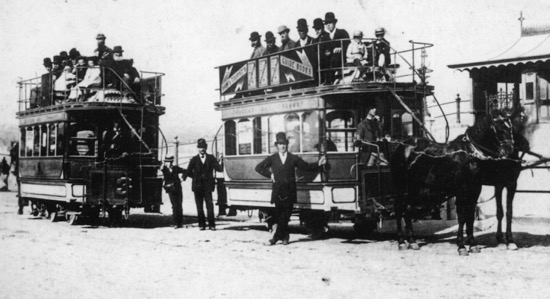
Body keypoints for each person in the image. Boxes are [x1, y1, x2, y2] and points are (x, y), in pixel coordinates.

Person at [255, 132, 327, 246]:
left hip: (289, 192)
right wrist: (270, 175)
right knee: (280, 217)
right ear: (276, 145)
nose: (282, 146)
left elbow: (306, 166)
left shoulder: (293, 158)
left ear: (287, 145)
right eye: (280, 144)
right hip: (278, 192)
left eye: (284, 144)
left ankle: (275, 238)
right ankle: (285, 237)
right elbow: (258, 167)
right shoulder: (272, 158)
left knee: (285, 217)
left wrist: (318, 163)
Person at [187, 138, 223, 230]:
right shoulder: (194, 159)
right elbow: (188, 171)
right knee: (199, 207)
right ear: (198, 148)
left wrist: (221, 161)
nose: (202, 149)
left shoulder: (211, 158)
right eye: (200, 147)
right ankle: (201, 225)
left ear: (206, 148)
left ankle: (211, 225)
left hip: (208, 186)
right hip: (197, 187)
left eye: (203, 147)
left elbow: (219, 169)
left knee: (209, 206)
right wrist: (195, 177)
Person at [161, 156, 188, 229]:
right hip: (170, 189)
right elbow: (160, 168)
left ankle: (180, 223)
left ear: (172, 162)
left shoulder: (176, 168)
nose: (168, 163)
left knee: (179, 205)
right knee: (174, 205)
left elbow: (185, 171)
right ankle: (176, 222)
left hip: (178, 188)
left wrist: (183, 178)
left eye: (169, 162)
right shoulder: (164, 169)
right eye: (167, 162)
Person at [324, 12, 350, 84]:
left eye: (330, 22)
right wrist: (326, 52)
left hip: (341, 57)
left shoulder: (342, 32)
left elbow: (348, 45)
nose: (328, 25)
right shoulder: (326, 37)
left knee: (334, 59)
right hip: (329, 58)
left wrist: (341, 48)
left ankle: (329, 80)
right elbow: (325, 49)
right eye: (326, 23)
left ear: (334, 23)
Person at [312, 18, 331, 84]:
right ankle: (316, 81)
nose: (317, 31)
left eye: (318, 29)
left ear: (322, 28)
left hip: (325, 58)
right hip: (318, 60)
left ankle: (326, 80)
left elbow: (328, 50)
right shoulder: (315, 40)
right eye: (316, 29)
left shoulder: (327, 36)